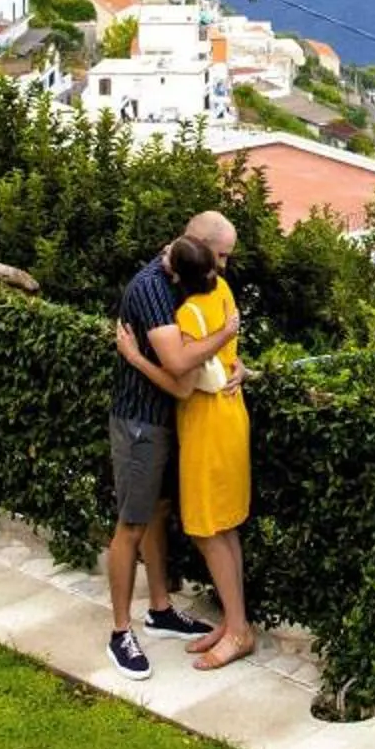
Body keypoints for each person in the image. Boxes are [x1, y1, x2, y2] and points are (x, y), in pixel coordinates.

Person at [105, 235, 237, 680]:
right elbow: (180, 374)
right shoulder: (152, 290)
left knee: (157, 512)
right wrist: (224, 334)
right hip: (140, 423)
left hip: (167, 422)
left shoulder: (184, 270)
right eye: (220, 257)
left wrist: (235, 363)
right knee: (130, 526)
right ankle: (119, 632)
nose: (221, 269)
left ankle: (159, 610)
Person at [165, 210, 253, 669]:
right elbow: (228, 351)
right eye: (219, 256)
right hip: (229, 415)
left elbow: (184, 378)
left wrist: (135, 356)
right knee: (224, 526)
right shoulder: (222, 292)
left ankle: (237, 629)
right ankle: (235, 622)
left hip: (207, 422)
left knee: (206, 527)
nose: (223, 265)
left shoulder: (188, 310)